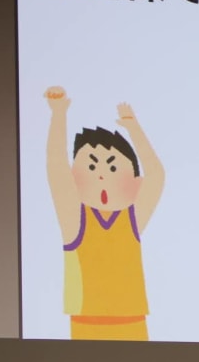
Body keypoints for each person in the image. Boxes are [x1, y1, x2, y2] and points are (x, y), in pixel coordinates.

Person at [44, 87, 165, 340]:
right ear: (74, 179)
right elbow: (56, 170)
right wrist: (59, 114)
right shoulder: (74, 220)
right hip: (86, 324)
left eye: (112, 167)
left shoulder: (131, 218)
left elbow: (156, 175)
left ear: (135, 182)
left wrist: (133, 128)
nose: (101, 174)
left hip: (132, 322)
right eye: (91, 166)